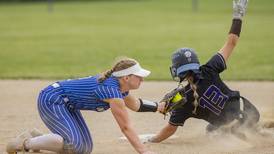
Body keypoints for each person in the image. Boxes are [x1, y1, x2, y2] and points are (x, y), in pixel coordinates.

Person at [148, 0, 260, 143]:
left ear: (177, 71)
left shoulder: (183, 100)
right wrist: (238, 15)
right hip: (248, 112)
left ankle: (245, 134)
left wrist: (152, 140)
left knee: (212, 131)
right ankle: (256, 130)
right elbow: (231, 41)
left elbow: (170, 129)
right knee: (226, 125)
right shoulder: (210, 69)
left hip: (229, 127)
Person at [6, 58, 160, 154]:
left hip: (66, 104)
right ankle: (24, 142)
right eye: (139, 76)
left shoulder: (120, 88)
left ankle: (38, 138)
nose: (142, 79)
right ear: (126, 77)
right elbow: (125, 127)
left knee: (84, 148)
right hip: (52, 99)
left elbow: (135, 105)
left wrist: (159, 106)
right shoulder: (112, 91)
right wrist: (144, 151)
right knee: (73, 145)